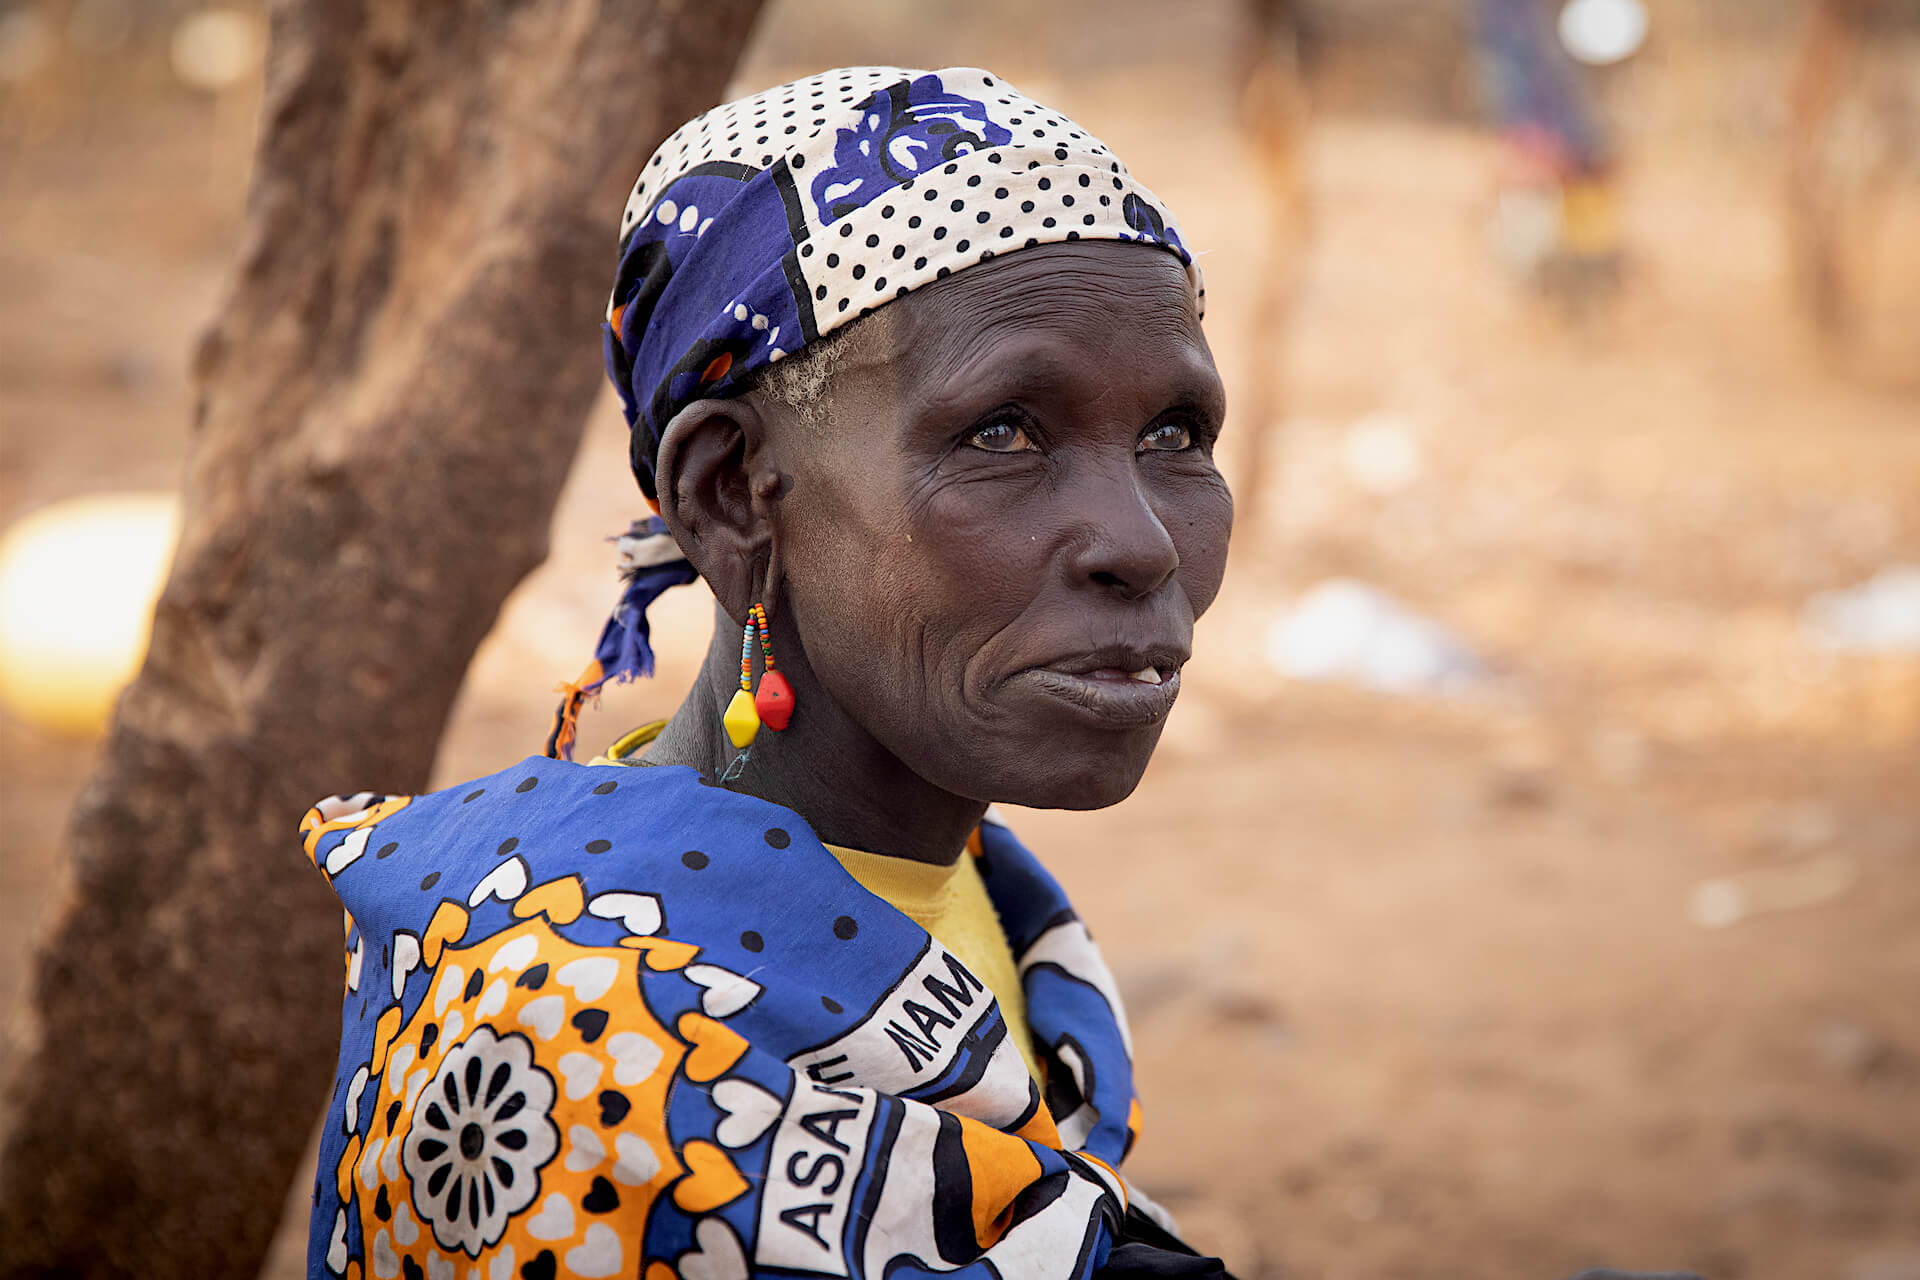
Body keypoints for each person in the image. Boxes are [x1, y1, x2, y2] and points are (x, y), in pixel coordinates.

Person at [302, 66, 1236, 1280]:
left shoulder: (975, 893)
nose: (1142, 540)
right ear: (732, 494)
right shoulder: (588, 1053)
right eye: (1002, 432)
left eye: (1175, 435)